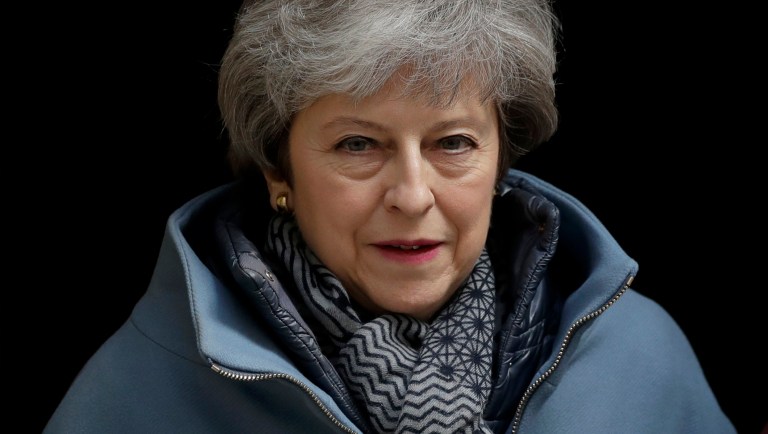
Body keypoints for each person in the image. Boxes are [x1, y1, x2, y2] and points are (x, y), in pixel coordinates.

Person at [44, 0, 736, 433]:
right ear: (278, 170)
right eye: (358, 144)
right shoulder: (141, 387)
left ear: (501, 161)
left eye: (453, 143)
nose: (411, 194)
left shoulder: (639, 355)